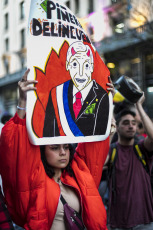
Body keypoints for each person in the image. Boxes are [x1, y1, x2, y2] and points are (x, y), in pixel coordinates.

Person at [0, 69, 114, 230]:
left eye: (66, 147)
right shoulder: (32, 179)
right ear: (42, 151)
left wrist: (106, 101)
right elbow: (14, 146)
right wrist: (23, 101)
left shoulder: (80, 174)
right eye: (55, 148)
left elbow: (94, 145)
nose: (62, 152)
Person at [43, 41, 110, 137]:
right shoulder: (56, 93)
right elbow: (49, 134)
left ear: (91, 67)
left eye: (86, 66)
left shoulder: (101, 96)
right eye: (75, 64)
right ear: (67, 65)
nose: (81, 73)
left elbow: (99, 136)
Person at [108, 92, 153, 230]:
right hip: (118, 223)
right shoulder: (112, 150)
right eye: (126, 123)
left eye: (134, 123)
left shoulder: (141, 148)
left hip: (145, 220)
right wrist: (111, 129)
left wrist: (138, 105)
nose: (131, 126)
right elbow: (101, 161)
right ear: (118, 127)